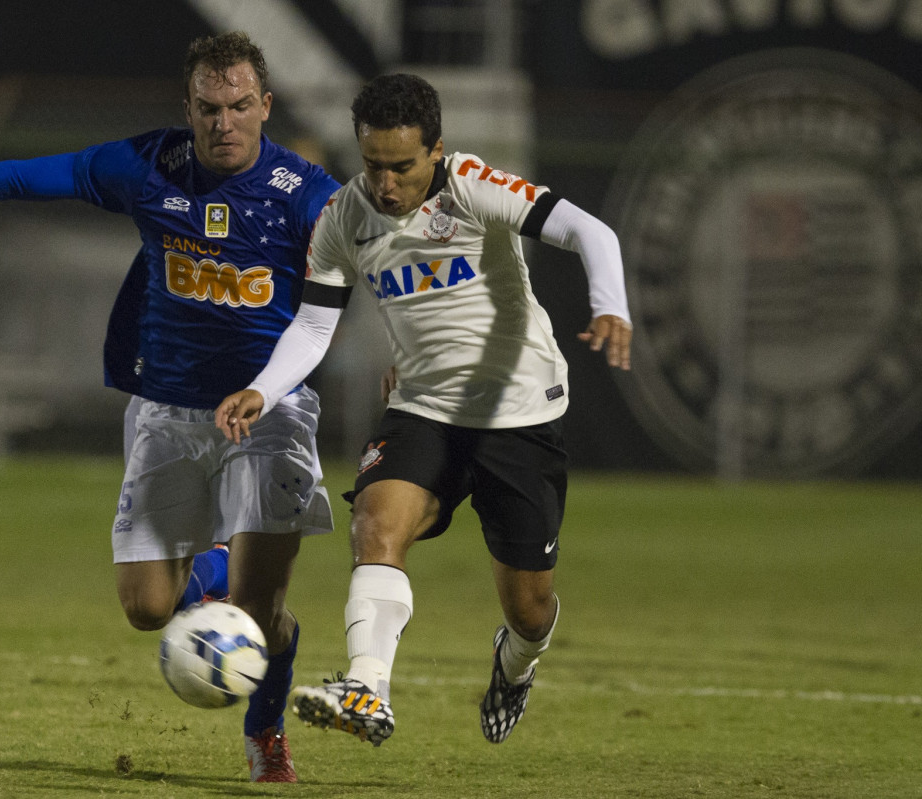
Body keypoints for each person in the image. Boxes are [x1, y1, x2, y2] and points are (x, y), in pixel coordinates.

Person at [0, 32, 339, 782]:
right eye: (207, 108)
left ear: (265, 105)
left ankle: (265, 736)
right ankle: (217, 560)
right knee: (145, 608)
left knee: (259, 615)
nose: (222, 122)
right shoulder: (146, 167)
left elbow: (369, 279)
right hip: (165, 410)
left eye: (237, 106)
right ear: (187, 108)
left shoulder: (310, 196)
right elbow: (16, 178)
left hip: (268, 415)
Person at [214, 73, 632, 747]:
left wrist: (610, 304)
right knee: (375, 526)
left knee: (529, 608)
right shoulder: (344, 218)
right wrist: (264, 387)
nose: (386, 183)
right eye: (373, 163)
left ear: (436, 150)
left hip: (518, 415)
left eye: (402, 166)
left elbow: (590, 230)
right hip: (423, 411)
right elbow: (315, 326)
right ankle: (367, 687)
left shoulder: (474, 187)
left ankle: (517, 664)